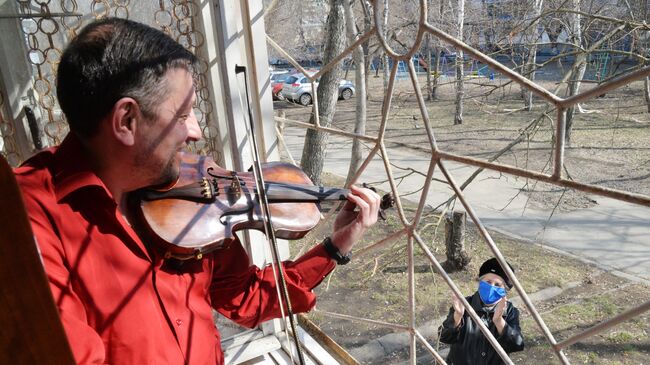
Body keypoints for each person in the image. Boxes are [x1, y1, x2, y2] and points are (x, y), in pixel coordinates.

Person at [14, 18, 381, 365]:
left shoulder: (193, 195)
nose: (196, 132)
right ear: (126, 121)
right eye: (183, 114)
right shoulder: (27, 222)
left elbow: (244, 296)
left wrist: (335, 247)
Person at [439, 258, 525, 364]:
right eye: (488, 282)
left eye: (498, 285)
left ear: (504, 290)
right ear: (480, 282)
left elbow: (517, 345)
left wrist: (499, 321)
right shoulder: (464, 304)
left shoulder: (510, 311)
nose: (491, 287)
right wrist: (457, 316)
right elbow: (444, 337)